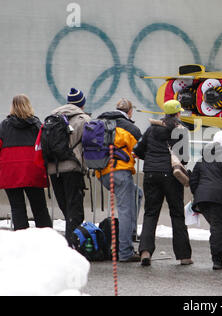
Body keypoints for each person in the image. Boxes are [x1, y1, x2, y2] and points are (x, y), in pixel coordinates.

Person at [135, 100, 193, 266]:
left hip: (151, 174)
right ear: (177, 113)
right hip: (171, 175)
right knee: (176, 214)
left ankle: (145, 252)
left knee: (150, 213)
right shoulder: (181, 130)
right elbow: (185, 158)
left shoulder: (152, 128)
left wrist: (152, 159)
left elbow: (139, 150)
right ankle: (184, 256)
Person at [96, 98, 142, 262]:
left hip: (102, 172)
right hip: (120, 172)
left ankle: (130, 234)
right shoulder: (130, 127)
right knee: (125, 210)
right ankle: (125, 252)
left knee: (137, 194)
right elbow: (142, 149)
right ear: (130, 111)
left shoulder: (100, 121)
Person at [0, 94, 52, 230]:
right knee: (39, 207)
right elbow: (45, 147)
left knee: (17, 207)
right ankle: (46, 237)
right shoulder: (36, 125)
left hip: (11, 172)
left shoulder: (4, 126)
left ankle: (21, 239)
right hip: (33, 170)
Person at [189, 131, 222, 270]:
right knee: (218, 229)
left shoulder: (202, 159)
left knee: (221, 227)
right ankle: (217, 260)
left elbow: (193, 180)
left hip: (203, 200)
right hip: (220, 199)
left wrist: (198, 195)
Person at [47, 88, 90, 246]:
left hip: (53, 167)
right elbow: (89, 144)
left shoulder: (53, 116)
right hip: (72, 167)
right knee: (75, 206)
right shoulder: (84, 119)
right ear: (82, 104)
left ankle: (70, 239)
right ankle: (74, 243)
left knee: (64, 204)